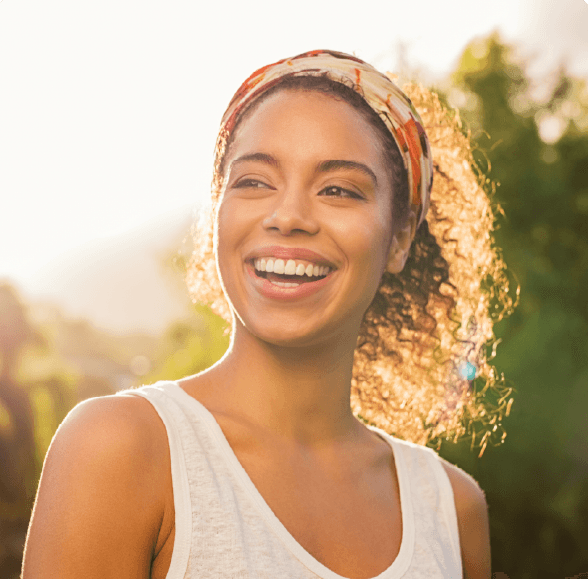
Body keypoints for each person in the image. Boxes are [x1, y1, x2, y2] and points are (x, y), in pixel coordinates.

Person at [22, 49, 512, 579]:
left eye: (338, 190)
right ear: (219, 212)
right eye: (254, 181)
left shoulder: (452, 510)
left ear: (398, 238)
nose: (288, 216)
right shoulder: (121, 448)